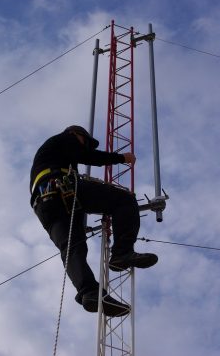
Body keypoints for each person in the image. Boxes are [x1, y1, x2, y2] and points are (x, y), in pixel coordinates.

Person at [30, 125, 158, 317]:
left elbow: (81, 155)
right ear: (76, 134)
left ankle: (90, 293)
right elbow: (87, 156)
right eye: (86, 142)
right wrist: (121, 158)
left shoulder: (52, 154)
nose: (87, 147)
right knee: (125, 201)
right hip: (61, 186)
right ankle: (122, 253)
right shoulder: (65, 139)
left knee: (72, 248)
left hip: (44, 204)